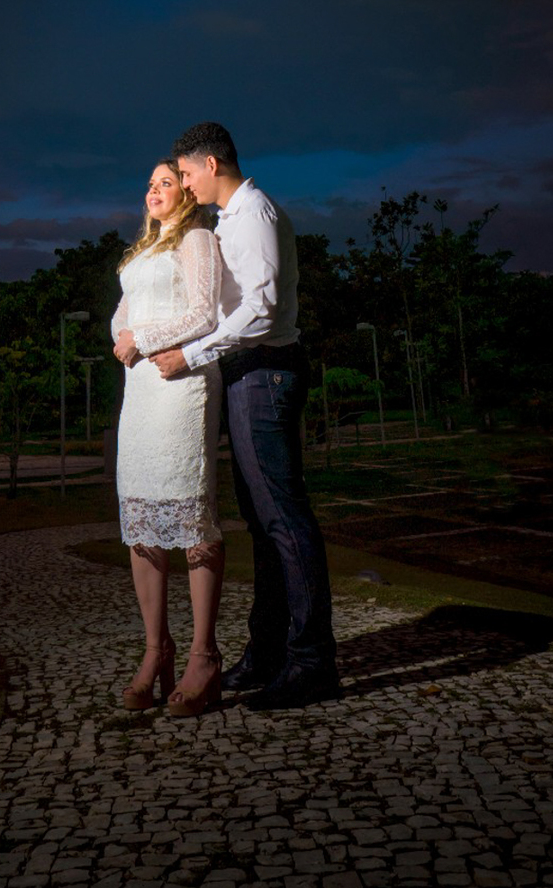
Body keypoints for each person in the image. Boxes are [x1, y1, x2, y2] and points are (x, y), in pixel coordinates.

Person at [153, 121, 339, 709]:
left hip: (267, 370)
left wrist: (193, 352)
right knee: (263, 524)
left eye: (185, 173)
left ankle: (312, 662)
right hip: (246, 374)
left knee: (284, 518)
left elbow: (259, 310)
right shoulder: (228, 220)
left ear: (210, 164)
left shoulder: (254, 211)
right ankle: (269, 653)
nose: (183, 183)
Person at [111, 158, 226, 716]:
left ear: (186, 191)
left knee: (189, 514)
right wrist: (123, 339)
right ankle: (157, 651)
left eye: (165, 182)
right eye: (149, 182)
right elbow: (121, 317)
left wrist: (146, 338)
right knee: (142, 520)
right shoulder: (139, 254)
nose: (153, 190)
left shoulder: (199, 239)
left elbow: (206, 314)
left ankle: (203, 655)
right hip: (140, 393)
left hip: (182, 384)